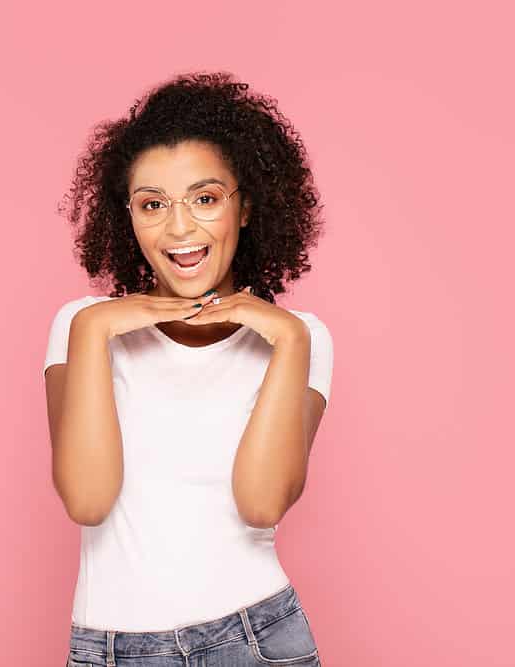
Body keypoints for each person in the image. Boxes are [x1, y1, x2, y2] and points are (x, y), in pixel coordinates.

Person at [43, 71, 333, 667]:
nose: (179, 228)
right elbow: (88, 500)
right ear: (128, 216)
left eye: (204, 198)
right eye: (154, 204)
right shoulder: (83, 324)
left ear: (245, 205)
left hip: (257, 638)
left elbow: (261, 503)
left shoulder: (299, 337)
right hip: (113, 648)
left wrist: (286, 335)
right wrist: (96, 328)